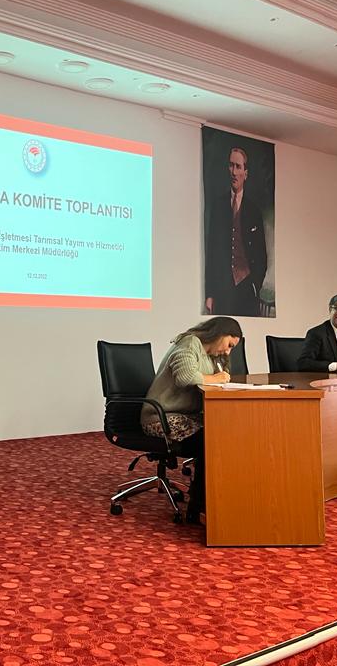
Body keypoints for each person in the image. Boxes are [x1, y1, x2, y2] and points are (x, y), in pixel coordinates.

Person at [142, 317, 243, 522]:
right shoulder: (189, 344)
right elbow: (185, 377)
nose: (227, 352)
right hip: (161, 418)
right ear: (219, 334)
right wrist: (216, 379)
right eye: (229, 345)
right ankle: (199, 505)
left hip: (185, 416)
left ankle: (213, 499)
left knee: (227, 433)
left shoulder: (209, 354)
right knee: (214, 440)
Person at [205, 147, 267, 317]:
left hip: (246, 286)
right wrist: (210, 293)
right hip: (222, 288)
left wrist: (255, 285)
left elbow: (261, 254)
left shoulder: (254, 210)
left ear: (245, 173)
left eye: (238, 167)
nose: (233, 172)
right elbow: (211, 252)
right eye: (231, 165)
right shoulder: (218, 206)